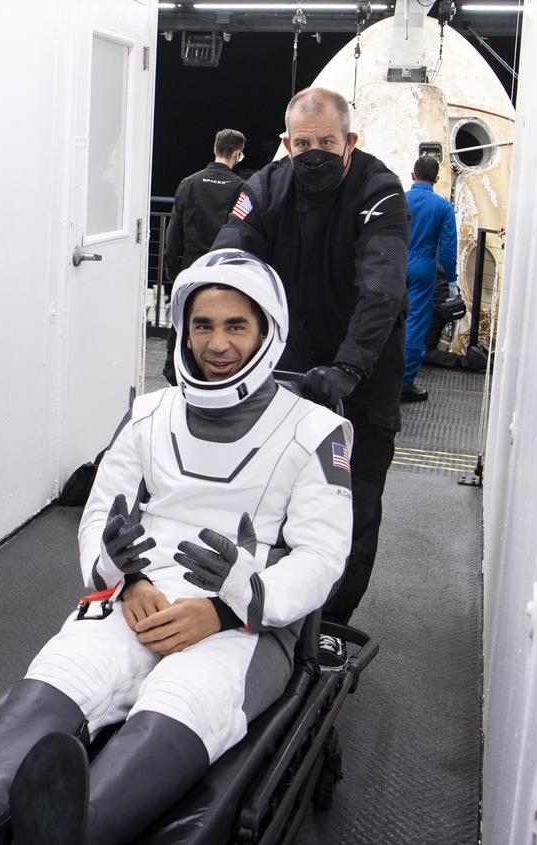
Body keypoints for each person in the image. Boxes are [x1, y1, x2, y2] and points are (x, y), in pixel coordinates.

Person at [0, 250, 353, 845]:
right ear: (183, 330)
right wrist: (127, 579)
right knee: (74, 663)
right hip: (139, 597)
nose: (218, 343)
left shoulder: (315, 432)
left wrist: (228, 605)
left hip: (243, 620)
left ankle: (81, 828)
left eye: (237, 325)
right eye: (202, 324)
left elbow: (321, 560)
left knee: (187, 694)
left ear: (267, 332)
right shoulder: (150, 414)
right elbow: (101, 515)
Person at [212, 86, 409, 665]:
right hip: (284, 370)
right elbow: (231, 254)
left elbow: (382, 285)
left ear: (350, 142)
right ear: (286, 144)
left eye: (328, 142)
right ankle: (259, 599)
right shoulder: (265, 187)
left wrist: (349, 365)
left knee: (355, 503)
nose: (315, 153)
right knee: (266, 492)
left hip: (360, 377)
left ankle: (332, 623)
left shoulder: (380, 191)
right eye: (304, 144)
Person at [402, 154, 459, 402]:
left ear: (412, 175)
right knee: (415, 323)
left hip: (394, 263)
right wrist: (453, 280)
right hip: (423, 267)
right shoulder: (442, 207)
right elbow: (447, 249)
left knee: (385, 318)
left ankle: (380, 377)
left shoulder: (398, 200)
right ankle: (405, 383)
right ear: (436, 179)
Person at [163, 129, 248, 279]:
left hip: (192, 267)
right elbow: (245, 231)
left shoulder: (189, 183)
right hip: (224, 270)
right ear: (237, 154)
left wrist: (171, 268)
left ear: (215, 148)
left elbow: (174, 231)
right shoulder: (243, 188)